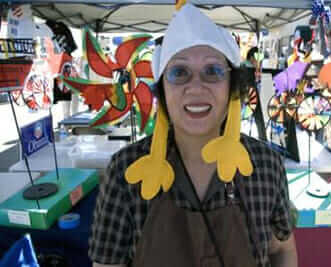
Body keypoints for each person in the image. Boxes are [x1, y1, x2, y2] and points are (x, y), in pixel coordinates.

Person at [89, 4, 297, 267]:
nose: (196, 86)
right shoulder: (124, 172)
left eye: (213, 71)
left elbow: (282, 250)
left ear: (232, 87)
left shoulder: (267, 165)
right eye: (179, 73)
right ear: (162, 89)